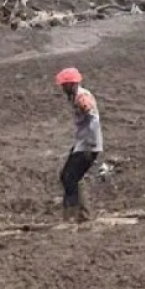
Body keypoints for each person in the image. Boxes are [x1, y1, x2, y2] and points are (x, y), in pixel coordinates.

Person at [55, 67, 103, 222]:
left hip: (88, 145)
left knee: (70, 178)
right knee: (69, 176)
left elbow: (93, 120)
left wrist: (90, 144)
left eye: (64, 85)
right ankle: (82, 214)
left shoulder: (82, 98)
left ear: (71, 84)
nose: (62, 88)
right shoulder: (77, 96)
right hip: (82, 143)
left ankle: (72, 216)